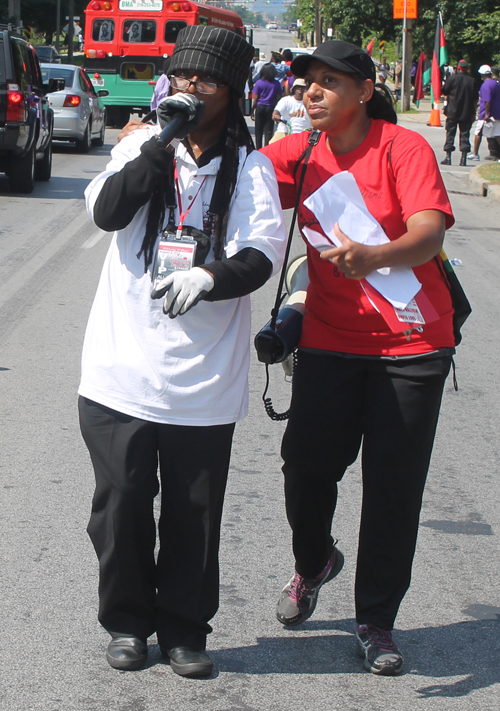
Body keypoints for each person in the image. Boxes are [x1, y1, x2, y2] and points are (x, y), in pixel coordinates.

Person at [79, 26, 286, 678]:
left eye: (207, 81)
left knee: (194, 513)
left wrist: (207, 278)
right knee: (123, 504)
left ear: (232, 92)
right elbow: (108, 212)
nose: (191, 89)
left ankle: (185, 630)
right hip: (120, 370)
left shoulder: (249, 168)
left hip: (203, 381)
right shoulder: (142, 146)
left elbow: (259, 256)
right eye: (183, 78)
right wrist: (157, 143)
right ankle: (129, 623)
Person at [261, 40, 455, 677]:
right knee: (305, 469)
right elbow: (233, 178)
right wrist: (152, 140)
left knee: (393, 492)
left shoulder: (404, 148)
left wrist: (375, 257)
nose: (312, 92)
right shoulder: (301, 153)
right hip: (330, 343)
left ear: (365, 90)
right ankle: (315, 560)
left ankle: (376, 618)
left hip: (412, 346)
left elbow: (428, 232)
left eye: (329, 82)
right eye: (307, 82)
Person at [441, 59, 477, 166]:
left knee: (450, 133)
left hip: (452, 111)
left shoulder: (452, 79)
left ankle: (448, 157)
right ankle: (463, 158)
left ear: (458, 67)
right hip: (467, 111)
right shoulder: (472, 81)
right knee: (465, 134)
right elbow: (475, 99)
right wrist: (474, 112)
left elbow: (445, 91)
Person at [469, 65, 500, 161]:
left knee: (478, 132)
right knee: (497, 134)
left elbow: (487, 101)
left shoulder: (486, 85)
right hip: (497, 113)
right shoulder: (496, 83)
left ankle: (475, 154)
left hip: (486, 114)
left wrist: (486, 114)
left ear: (482, 74)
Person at [251, 63, 282, 148]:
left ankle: (258, 148)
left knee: (258, 130)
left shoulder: (259, 83)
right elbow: (278, 96)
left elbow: (256, 97)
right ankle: (267, 148)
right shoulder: (276, 83)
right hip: (271, 106)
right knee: (268, 130)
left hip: (260, 106)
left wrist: (252, 110)